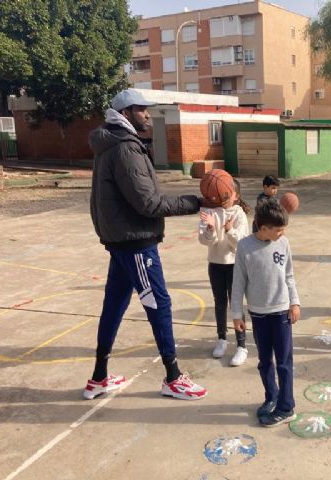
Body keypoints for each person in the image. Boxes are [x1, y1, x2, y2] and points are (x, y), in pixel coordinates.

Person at [84, 89, 207, 401]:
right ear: (126, 113)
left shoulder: (110, 144)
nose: (147, 115)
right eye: (142, 110)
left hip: (121, 240)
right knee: (159, 305)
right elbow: (149, 203)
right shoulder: (125, 148)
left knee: (113, 306)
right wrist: (198, 202)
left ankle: (99, 377)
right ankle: (173, 377)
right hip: (136, 242)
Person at [231, 200, 301, 427]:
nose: (282, 233)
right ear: (263, 228)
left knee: (284, 362)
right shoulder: (244, 246)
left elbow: (289, 275)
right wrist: (237, 313)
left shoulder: (284, 244)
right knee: (264, 361)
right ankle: (272, 397)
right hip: (258, 314)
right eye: (278, 230)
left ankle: (286, 406)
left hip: (281, 312)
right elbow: (238, 282)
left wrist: (295, 302)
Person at [199, 178, 251, 366]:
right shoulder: (208, 212)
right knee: (219, 303)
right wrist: (212, 228)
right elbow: (204, 241)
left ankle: (242, 345)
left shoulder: (239, 215)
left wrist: (229, 230)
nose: (223, 197)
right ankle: (221, 339)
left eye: (227, 193)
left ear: (236, 195)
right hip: (215, 264)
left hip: (234, 265)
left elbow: (241, 243)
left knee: (235, 304)